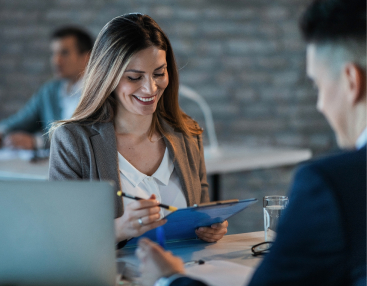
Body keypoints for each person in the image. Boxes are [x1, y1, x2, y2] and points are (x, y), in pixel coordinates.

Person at [135, 0, 366, 285]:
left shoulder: (332, 185)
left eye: (317, 85)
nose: (319, 105)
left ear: (351, 82)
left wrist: (167, 279)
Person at [48, 13, 228, 247]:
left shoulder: (187, 133)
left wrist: (209, 227)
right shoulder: (73, 141)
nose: (150, 88)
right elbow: (59, 237)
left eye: (159, 73)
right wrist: (118, 229)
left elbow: (200, 211)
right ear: (108, 76)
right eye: (134, 77)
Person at [0, 26, 93, 150]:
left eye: (64, 53)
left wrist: (37, 142)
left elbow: (85, 138)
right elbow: (22, 120)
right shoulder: (49, 90)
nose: (56, 60)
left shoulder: (99, 93)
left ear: (86, 57)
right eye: (54, 53)